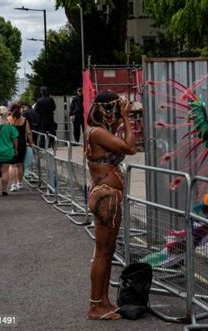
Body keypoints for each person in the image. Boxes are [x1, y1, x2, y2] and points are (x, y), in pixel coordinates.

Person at [84, 91, 136, 320]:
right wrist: (127, 119)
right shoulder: (97, 133)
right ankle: (95, 306)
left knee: (108, 251)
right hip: (106, 196)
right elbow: (130, 148)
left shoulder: (99, 132)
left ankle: (103, 301)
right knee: (103, 253)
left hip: (108, 194)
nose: (122, 111)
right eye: (118, 108)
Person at [8, 103, 35, 191]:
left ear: (11, 111)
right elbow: (28, 133)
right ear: (20, 110)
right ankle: (19, 183)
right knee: (20, 164)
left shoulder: (8, 120)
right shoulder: (24, 120)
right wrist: (31, 143)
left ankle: (13, 185)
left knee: (12, 165)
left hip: (10, 143)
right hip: (22, 143)